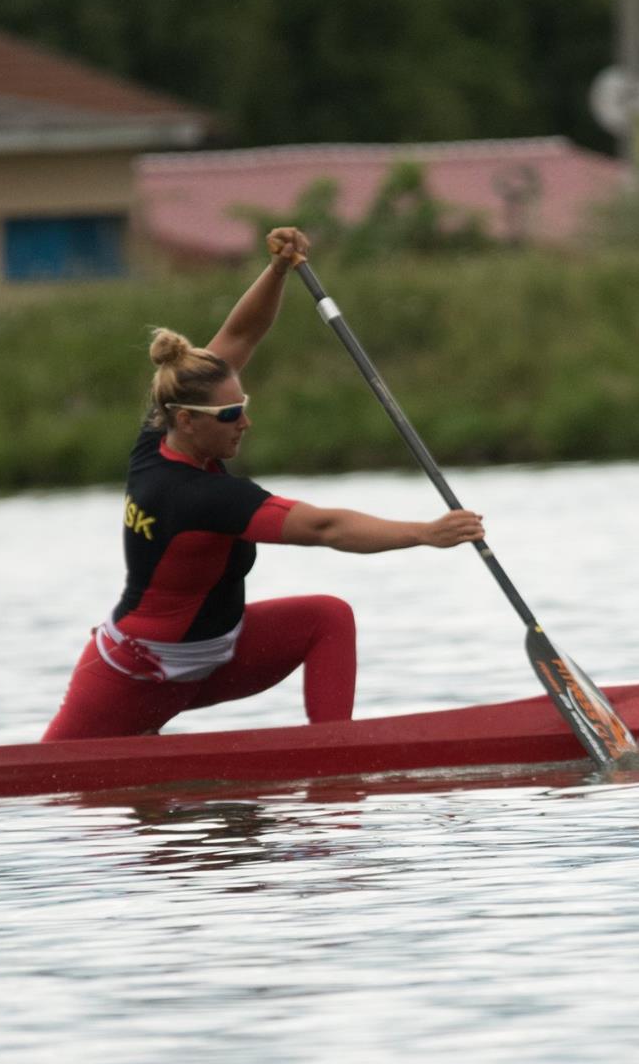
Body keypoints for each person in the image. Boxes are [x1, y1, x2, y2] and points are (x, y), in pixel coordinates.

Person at [42, 227, 485, 741]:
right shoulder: (200, 497)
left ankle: (333, 755)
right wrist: (425, 533)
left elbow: (240, 337)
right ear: (188, 421)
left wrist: (277, 271)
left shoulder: (161, 428)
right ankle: (327, 761)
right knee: (62, 797)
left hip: (216, 658)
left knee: (327, 618)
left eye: (243, 408)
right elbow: (324, 527)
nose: (244, 423)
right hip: (136, 678)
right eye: (230, 414)